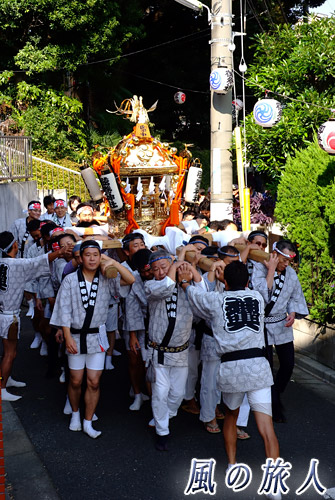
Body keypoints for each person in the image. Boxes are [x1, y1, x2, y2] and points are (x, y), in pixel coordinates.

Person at [180, 261, 281, 500]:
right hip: (258, 367)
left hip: (232, 367)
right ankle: (274, 485)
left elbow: (195, 294)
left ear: (225, 281)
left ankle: (233, 465)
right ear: (247, 281)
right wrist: (269, 270)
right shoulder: (257, 297)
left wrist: (185, 280)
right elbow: (266, 286)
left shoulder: (216, 300)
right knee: (266, 427)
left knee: (231, 416)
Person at [50, 240, 135, 438]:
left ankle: (88, 421)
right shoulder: (70, 280)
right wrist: (67, 335)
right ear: (80, 258)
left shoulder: (107, 276)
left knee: (94, 381)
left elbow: (130, 280)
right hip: (76, 335)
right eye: (87, 255)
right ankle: (75, 413)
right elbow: (64, 308)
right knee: (76, 380)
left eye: (96, 255)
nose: (92, 259)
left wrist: (108, 259)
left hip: (97, 335)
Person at [144, 249, 204, 451]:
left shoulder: (187, 287)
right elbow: (164, 289)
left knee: (177, 394)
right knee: (160, 393)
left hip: (181, 352)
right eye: (156, 269)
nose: (160, 272)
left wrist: (188, 268)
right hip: (159, 351)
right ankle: (163, 431)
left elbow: (204, 295)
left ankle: (164, 416)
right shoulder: (151, 286)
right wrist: (175, 266)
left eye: (164, 267)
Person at [0, 231, 65, 401]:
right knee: (10, 353)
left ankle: (6, 378)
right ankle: (1, 386)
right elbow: (38, 262)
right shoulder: (17, 265)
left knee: (7, 352)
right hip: (9, 316)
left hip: (3, 313)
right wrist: (59, 252)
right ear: (14, 245)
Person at [252, 239, 309, 423]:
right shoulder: (259, 269)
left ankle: (275, 393)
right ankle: (274, 406)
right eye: (283, 260)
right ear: (275, 254)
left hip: (281, 324)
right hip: (262, 325)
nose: (286, 264)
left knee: (288, 364)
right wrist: (271, 270)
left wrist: (292, 310)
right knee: (267, 367)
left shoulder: (290, 273)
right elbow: (262, 295)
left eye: (289, 261)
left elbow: (295, 295)